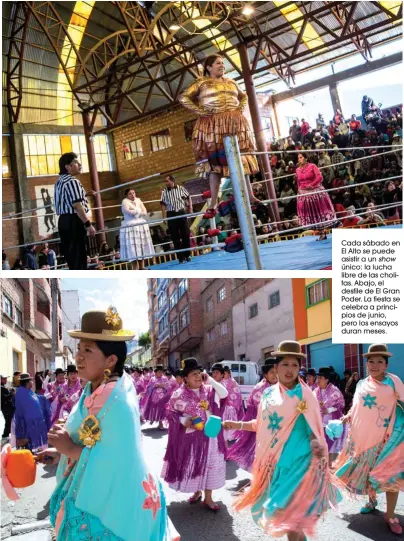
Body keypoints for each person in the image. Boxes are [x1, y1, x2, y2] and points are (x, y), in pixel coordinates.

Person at [36, 307, 179, 541]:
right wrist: (61, 453)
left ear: (111, 360)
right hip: (90, 490)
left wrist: (70, 450)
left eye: (88, 350)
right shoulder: (95, 389)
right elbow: (92, 440)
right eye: (79, 348)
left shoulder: (118, 402)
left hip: (111, 508)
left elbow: (120, 460)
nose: (78, 357)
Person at [224, 341, 341, 541]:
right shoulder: (268, 394)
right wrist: (236, 425)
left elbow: (313, 426)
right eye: (285, 364)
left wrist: (315, 443)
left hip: (298, 463)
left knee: (291, 517)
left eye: (294, 365)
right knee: (290, 518)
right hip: (274, 463)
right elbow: (261, 424)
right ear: (275, 368)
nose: (290, 369)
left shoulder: (304, 395)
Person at [335, 344, 404, 535]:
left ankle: (390, 515)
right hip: (362, 439)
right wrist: (348, 416)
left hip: (386, 440)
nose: (374, 365)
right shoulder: (361, 383)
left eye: (379, 361)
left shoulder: (393, 382)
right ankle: (372, 501)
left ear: (386, 365)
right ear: (366, 364)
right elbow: (356, 406)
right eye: (371, 361)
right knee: (368, 473)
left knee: (391, 477)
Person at [179, 54, 259, 216]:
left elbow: (244, 96)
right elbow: (183, 97)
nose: (222, 66)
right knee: (214, 164)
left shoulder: (231, 82)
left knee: (242, 157)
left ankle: (250, 195)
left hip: (235, 122)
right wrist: (200, 111)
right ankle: (214, 201)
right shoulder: (201, 83)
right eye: (218, 63)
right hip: (211, 125)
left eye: (223, 63)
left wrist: (240, 108)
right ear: (209, 67)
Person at [161, 358, 228, 511]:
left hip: (210, 435)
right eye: (193, 374)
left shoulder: (209, 390)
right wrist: (184, 419)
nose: (198, 377)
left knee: (210, 465)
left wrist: (210, 379)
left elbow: (224, 394)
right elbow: (170, 413)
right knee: (195, 465)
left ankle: (208, 498)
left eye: (199, 373)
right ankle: (197, 491)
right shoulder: (179, 394)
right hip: (191, 438)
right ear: (185, 378)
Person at [227, 359, 278, 472]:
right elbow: (260, 410)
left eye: (276, 372)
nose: (275, 375)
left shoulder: (281, 386)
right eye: (272, 372)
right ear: (265, 375)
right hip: (264, 427)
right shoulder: (259, 389)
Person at [54, 152, 96, 270]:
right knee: (79, 257)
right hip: (73, 221)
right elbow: (77, 205)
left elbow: (67, 198)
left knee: (72, 257)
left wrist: (85, 194)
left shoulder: (60, 181)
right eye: (76, 162)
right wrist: (88, 224)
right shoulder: (72, 181)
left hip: (63, 221)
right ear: (68, 167)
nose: (80, 164)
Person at [296, 153, 336, 241]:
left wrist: (312, 184)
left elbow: (319, 177)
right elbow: (298, 181)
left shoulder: (312, 166)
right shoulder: (297, 170)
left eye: (301, 157)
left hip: (315, 191)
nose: (299, 159)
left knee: (319, 212)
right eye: (298, 158)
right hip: (304, 194)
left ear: (306, 158)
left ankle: (323, 233)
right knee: (312, 214)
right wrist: (299, 189)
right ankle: (321, 233)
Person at [314, 367, 346, 464]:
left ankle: (330, 464)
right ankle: (322, 464)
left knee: (331, 444)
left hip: (331, 421)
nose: (317, 380)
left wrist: (330, 409)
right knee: (321, 444)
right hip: (319, 421)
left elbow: (341, 404)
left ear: (327, 379)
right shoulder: (315, 391)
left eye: (320, 378)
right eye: (317, 378)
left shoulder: (334, 391)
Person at [160, 175, 192, 264]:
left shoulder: (181, 188)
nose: (166, 183)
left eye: (167, 181)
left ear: (172, 180)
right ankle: (180, 257)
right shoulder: (164, 191)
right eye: (165, 181)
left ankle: (188, 254)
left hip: (181, 212)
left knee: (185, 234)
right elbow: (162, 204)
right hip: (171, 214)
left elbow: (188, 197)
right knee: (175, 236)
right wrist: (164, 217)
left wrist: (190, 208)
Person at [120, 188, 154, 269]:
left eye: (133, 193)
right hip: (130, 226)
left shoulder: (138, 200)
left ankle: (142, 267)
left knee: (141, 245)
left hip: (140, 226)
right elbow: (127, 211)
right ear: (126, 195)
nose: (132, 195)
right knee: (132, 248)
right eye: (130, 194)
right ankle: (135, 268)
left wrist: (136, 211)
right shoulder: (124, 202)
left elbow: (145, 211)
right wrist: (139, 211)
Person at [14, 373, 48, 450]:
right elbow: (23, 410)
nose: (33, 382)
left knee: (30, 444)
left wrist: (45, 397)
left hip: (30, 424)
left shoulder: (28, 391)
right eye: (31, 381)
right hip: (26, 424)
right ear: (28, 383)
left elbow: (37, 398)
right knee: (27, 443)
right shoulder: (22, 393)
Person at [142, 365, 171, 430]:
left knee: (162, 409)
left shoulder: (165, 378)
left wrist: (163, 386)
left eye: (161, 372)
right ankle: (155, 419)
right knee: (155, 409)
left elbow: (168, 387)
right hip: (154, 398)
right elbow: (148, 387)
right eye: (159, 372)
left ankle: (161, 423)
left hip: (163, 398)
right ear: (155, 372)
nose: (160, 373)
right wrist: (155, 386)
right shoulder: (152, 379)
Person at [220, 366, 244, 442]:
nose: (224, 375)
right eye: (223, 373)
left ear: (229, 374)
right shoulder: (221, 381)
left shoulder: (233, 382)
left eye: (225, 373)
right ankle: (225, 437)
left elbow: (236, 393)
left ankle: (231, 436)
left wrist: (230, 402)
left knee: (230, 420)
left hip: (231, 406)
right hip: (224, 405)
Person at [1, 374, 15, 439]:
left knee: (9, 420)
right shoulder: (1, 388)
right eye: (4, 379)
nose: (6, 380)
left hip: (7, 407)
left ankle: (8, 434)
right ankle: (5, 435)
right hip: (5, 407)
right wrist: (11, 394)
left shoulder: (3, 387)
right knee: (8, 421)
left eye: (6, 378)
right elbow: (4, 398)